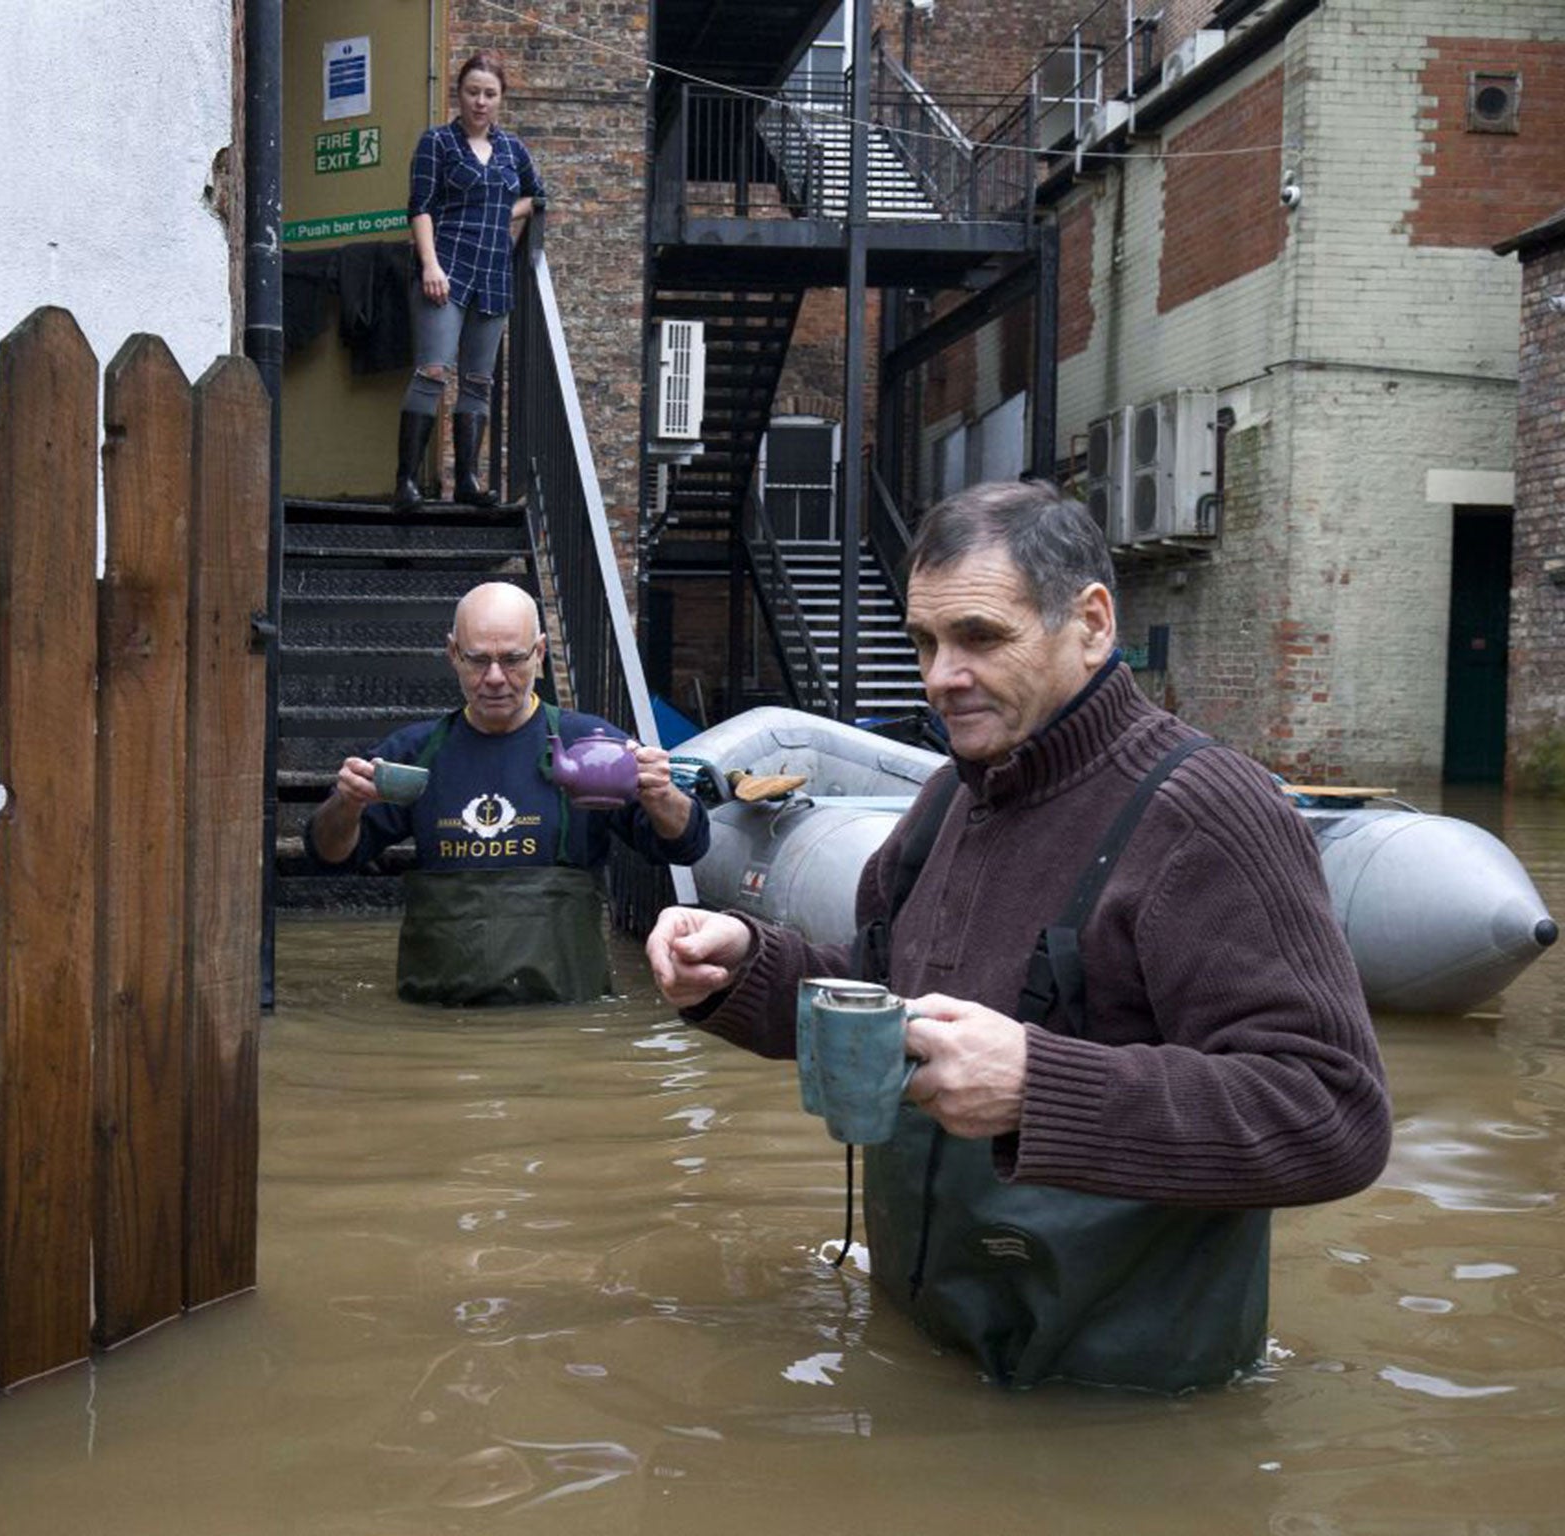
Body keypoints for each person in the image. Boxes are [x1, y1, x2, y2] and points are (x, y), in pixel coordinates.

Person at [644, 479, 1392, 1392]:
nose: (939, 677)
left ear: (1092, 623)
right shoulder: (945, 802)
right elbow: (883, 997)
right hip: (930, 1365)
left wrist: (1041, 1088)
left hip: (1124, 1411)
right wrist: (745, 969)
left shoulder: (1209, 817)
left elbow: (1334, 1115)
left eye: (980, 638)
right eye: (924, 641)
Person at [307, 581, 708, 1007]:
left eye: (513, 659)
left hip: (563, 1022)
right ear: (452, 654)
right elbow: (328, 855)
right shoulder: (412, 755)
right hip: (440, 1024)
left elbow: (687, 845)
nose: (495, 678)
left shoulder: (591, 748)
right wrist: (347, 803)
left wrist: (662, 794)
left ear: (539, 652)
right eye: (478, 660)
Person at [393, 49, 545, 513]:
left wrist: (505, 213)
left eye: (490, 94)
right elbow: (419, 206)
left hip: (494, 275)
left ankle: (467, 481)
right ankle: (406, 482)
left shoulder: (512, 149)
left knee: (478, 380)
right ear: (459, 94)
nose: (481, 101)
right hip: (447, 266)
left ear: (501, 99)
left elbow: (537, 197)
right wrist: (430, 264)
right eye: (473, 91)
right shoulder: (437, 143)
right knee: (433, 370)